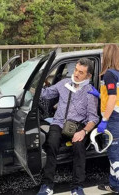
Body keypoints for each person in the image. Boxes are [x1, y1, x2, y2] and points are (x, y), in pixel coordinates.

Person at [37, 58, 99, 195]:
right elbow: (46, 94)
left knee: (79, 147)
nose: (76, 74)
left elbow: (94, 118)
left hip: (78, 125)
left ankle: (77, 187)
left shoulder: (90, 92)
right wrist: (34, 85)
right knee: (51, 144)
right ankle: (47, 185)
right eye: (76, 70)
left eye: (81, 72)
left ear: (88, 76)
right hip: (59, 122)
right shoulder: (63, 84)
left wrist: (83, 131)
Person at [88, 44, 119, 193]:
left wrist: (105, 120)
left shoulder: (110, 74)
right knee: (115, 153)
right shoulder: (117, 74)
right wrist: (99, 95)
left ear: (107, 56)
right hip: (116, 116)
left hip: (113, 120)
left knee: (114, 155)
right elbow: (113, 98)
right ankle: (114, 185)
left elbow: (113, 98)